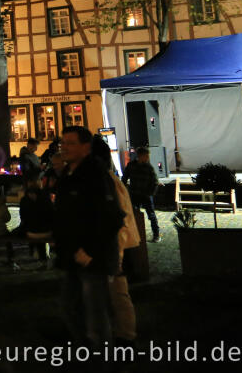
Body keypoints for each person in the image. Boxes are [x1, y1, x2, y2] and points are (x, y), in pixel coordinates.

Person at [53, 126, 124, 353]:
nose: (64, 147)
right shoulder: (67, 174)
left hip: (92, 259)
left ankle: (101, 360)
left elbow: (111, 217)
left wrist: (91, 251)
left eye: (70, 143)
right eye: (63, 142)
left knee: (95, 314)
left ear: (85, 147)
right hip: (71, 256)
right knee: (69, 309)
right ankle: (86, 352)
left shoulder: (95, 175)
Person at [91, 137, 140, 347]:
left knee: (118, 294)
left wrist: (117, 254)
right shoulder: (106, 179)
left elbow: (118, 220)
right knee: (114, 294)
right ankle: (120, 335)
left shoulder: (106, 182)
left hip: (114, 248)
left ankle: (125, 337)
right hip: (114, 247)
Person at [15, 171, 55, 264]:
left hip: (31, 232)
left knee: (32, 226)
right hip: (47, 232)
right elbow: (51, 215)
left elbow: (23, 217)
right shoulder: (46, 198)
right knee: (40, 225)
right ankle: (43, 256)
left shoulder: (24, 200)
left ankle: (36, 253)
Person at [122, 148, 160, 243]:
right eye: (146, 156)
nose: (148, 158)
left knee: (151, 215)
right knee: (134, 216)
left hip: (145, 195)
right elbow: (124, 178)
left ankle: (156, 235)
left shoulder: (148, 167)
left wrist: (150, 193)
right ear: (140, 156)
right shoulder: (132, 166)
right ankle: (136, 235)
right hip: (135, 195)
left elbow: (155, 182)